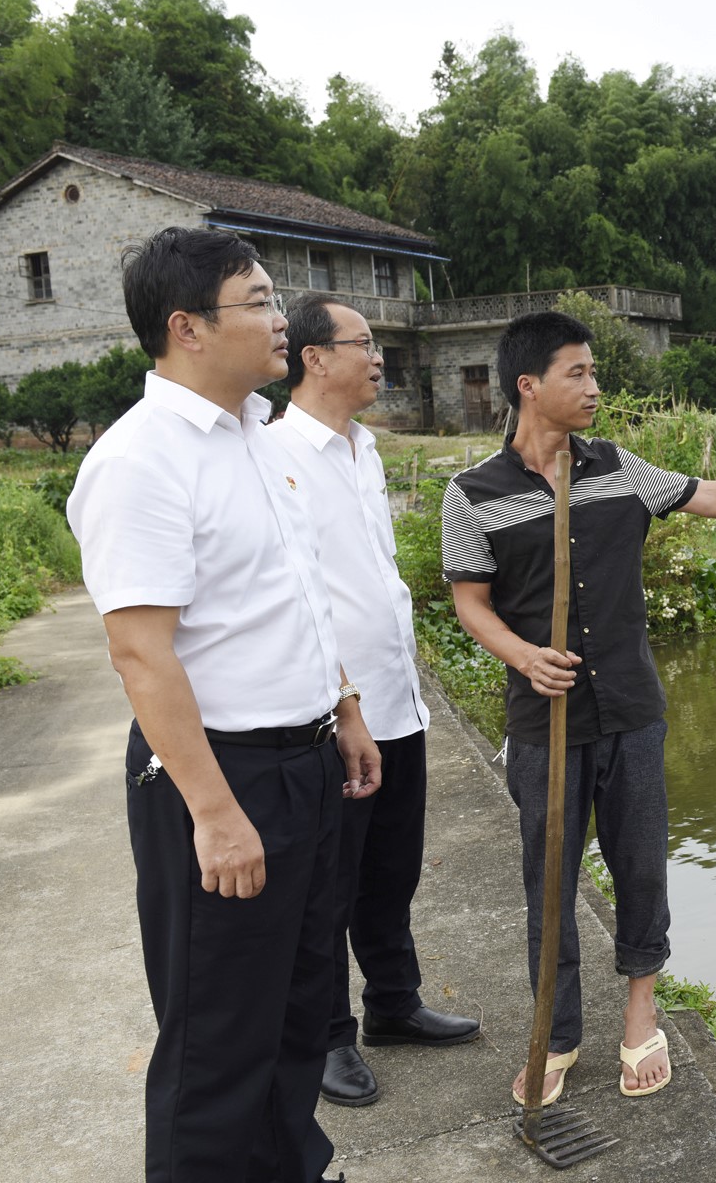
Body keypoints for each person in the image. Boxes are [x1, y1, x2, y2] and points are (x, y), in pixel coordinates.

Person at [441, 311, 716, 1105]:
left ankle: (641, 1013)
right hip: (546, 724)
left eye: (594, 371)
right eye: (579, 373)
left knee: (641, 864)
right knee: (549, 878)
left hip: (631, 709)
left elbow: (708, 495)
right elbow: (472, 603)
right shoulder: (472, 494)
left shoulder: (615, 468)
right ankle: (557, 1034)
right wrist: (523, 656)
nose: (595, 387)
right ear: (530, 385)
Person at [67, 227, 381, 1183]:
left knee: (297, 1004)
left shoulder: (257, 438)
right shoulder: (141, 461)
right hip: (220, 775)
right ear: (186, 328)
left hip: (305, 763)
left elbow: (292, 598)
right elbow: (141, 652)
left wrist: (344, 709)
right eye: (258, 301)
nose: (282, 318)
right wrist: (214, 814)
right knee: (218, 1036)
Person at [265, 295, 481, 1109]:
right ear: (316, 356)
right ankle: (326, 1040)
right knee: (329, 885)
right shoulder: (277, 453)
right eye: (364, 344)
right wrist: (342, 697)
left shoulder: (365, 450)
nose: (379, 357)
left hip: (397, 703)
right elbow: (300, 595)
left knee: (392, 873)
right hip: (334, 713)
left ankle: (392, 1004)